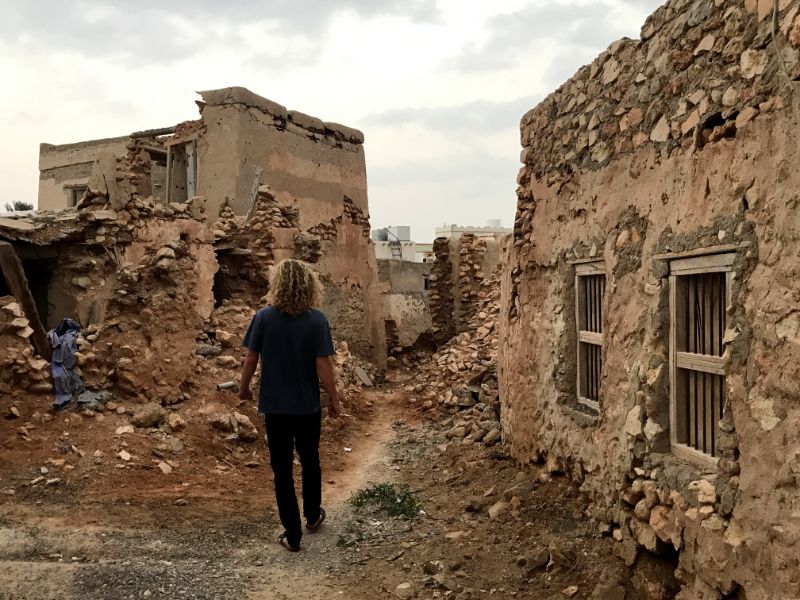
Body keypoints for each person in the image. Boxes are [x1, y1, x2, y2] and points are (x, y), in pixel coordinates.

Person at [239, 258, 341, 552]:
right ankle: (312, 515)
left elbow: (250, 358)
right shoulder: (316, 320)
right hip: (307, 406)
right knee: (310, 460)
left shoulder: (263, 317)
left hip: (275, 407)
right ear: (310, 285)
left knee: (281, 469)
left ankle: (292, 533)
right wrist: (334, 399)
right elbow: (323, 363)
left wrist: (244, 389)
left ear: (277, 284)